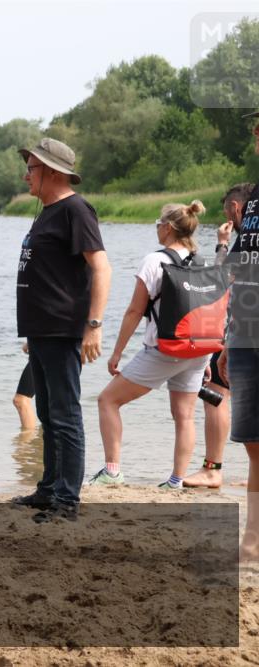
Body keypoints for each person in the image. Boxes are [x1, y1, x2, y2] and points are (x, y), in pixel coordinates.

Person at [11, 138, 112, 522]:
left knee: (65, 413)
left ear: (53, 172)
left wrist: (94, 325)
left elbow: (102, 267)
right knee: (47, 412)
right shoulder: (48, 211)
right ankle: (49, 489)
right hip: (42, 329)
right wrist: (33, 330)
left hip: (64, 328)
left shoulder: (76, 209)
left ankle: (67, 500)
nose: (26, 175)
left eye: (31, 168)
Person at [91, 201, 211, 489]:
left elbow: (134, 311)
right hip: (199, 349)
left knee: (108, 400)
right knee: (184, 416)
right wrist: (208, 356)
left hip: (165, 349)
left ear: (168, 228)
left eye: (158, 223)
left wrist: (117, 352)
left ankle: (112, 471)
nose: (156, 228)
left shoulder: (154, 261)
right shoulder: (202, 261)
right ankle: (176, 481)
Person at [183, 183, 253, 488]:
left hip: (238, 327)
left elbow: (222, 278)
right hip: (240, 326)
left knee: (215, 392)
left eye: (228, 213)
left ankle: (213, 468)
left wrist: (222, 243)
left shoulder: (243, 238)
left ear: (236, 209)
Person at [217, 111, 259, 563]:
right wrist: (230, 338)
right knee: (252, 442)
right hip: (246, 334)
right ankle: (252, 540)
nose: (256, 134)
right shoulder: (254, 201)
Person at [13, 345, 37, 431]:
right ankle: (37, 441)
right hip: (47, 344)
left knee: (21, 400)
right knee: (50, 403)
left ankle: (27, 441)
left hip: (48, 347)